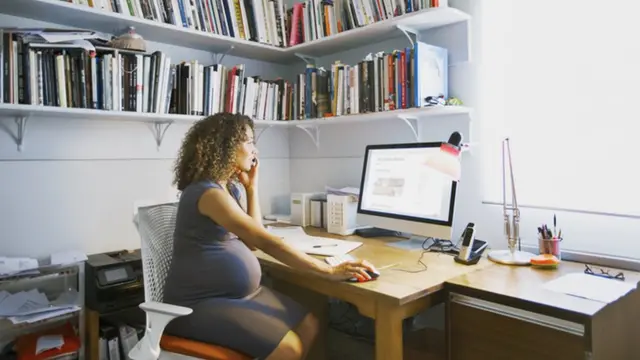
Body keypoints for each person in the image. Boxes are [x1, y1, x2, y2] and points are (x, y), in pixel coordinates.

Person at [162, 113, 376, 360]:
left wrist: (251, 189)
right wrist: (327, 271)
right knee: (289, 349)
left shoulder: (226, 188)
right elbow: (262, 240)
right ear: (225, 147)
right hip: (199, 305)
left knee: (309, 324)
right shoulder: (207, 193)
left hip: (239, 297)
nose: (254, 150)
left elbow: (251, 243)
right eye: (249, 142)